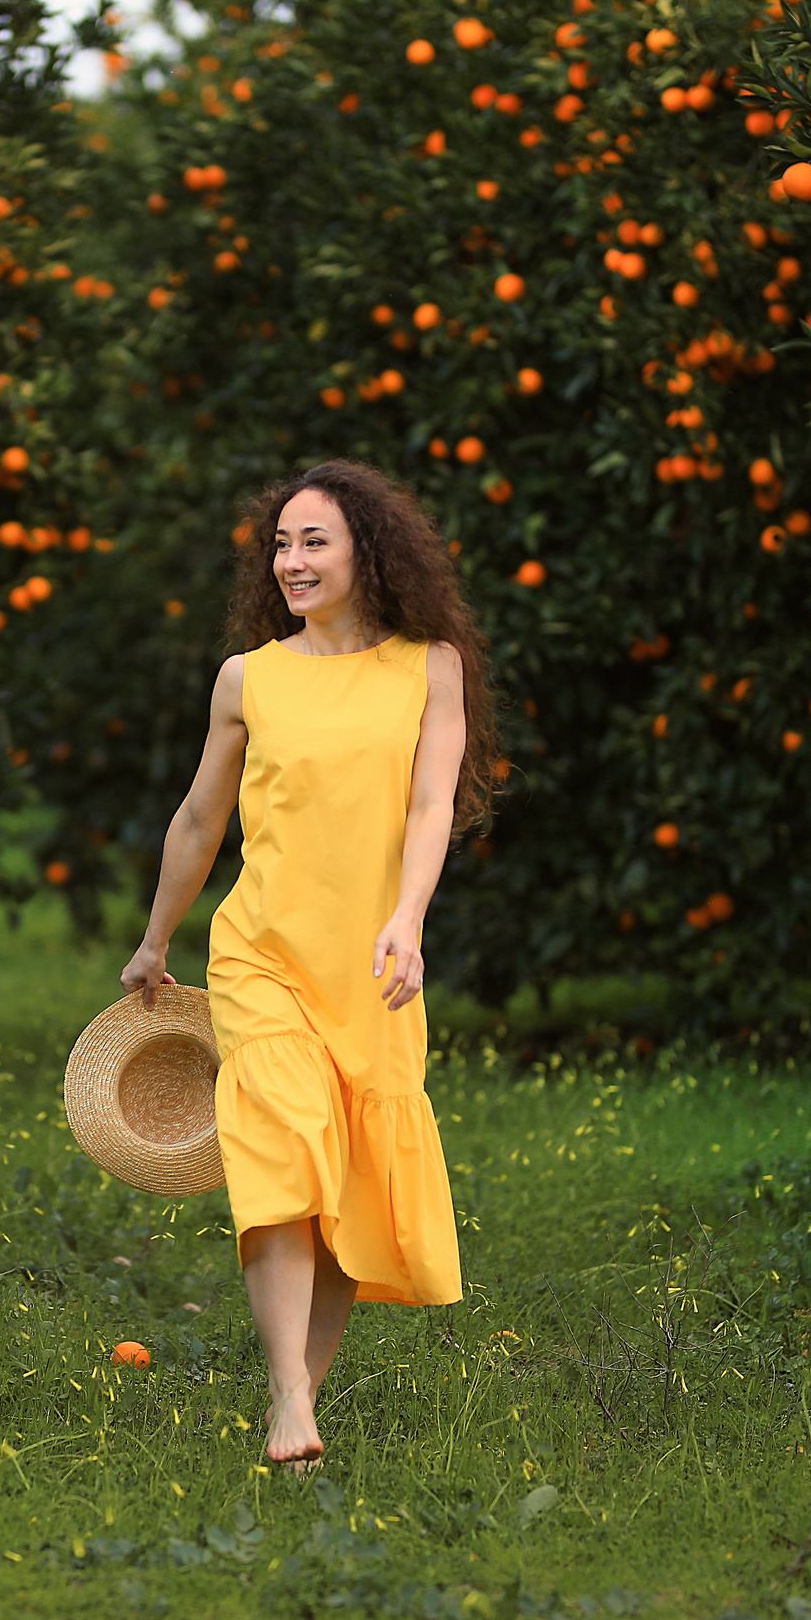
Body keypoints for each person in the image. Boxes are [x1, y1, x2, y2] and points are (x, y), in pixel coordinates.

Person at [117, 459, 504, 1464]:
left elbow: (430, 807)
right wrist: (157, 938)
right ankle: (289, 1396)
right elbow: (201, 817)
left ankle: (300, 1400)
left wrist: (408, 920)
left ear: (366, 551)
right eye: (280, 544)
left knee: (350, 1183)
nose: (290, 560)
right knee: (282, 1147)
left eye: (312, 541)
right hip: (262, 953)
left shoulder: (428, 666)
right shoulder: (251, 676)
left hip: (374, 963)